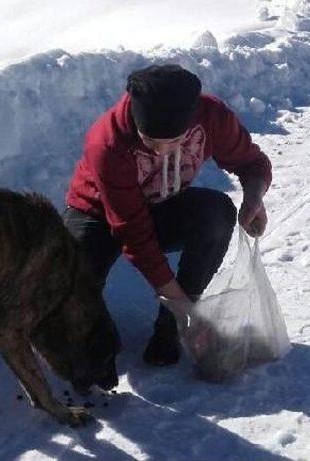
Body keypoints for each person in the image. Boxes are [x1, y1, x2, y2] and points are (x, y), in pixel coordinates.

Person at [63, 64, 271, 366]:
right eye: (151, 143)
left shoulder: (211, 116)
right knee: (73, 281)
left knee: (216, 215)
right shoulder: (107, 143)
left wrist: (254, 198)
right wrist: (182, 307)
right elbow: (134, 235)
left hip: (161, 204)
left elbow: (252, 162)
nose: (161, 153)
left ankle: (170, 328)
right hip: (95, 214)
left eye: (173, 143)